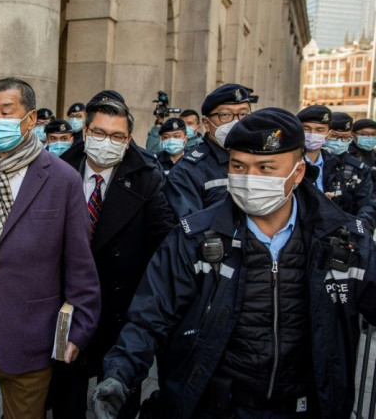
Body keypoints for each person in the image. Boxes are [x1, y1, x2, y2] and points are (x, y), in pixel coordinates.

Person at [93, 107, 376, 419]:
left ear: (296, 173)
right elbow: (150, 315)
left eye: (266, 168)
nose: (249, 179)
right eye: (239, 166)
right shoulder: (195, 238)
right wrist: (119, 374)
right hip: (219, 406)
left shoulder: (344, 241)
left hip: (306, 405)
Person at [0, 77, 101, 419]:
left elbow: (78, 261)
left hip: (30, 333)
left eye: (6, 112)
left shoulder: (62, 178)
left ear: (30, 119)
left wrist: (79, 328)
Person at [49, 98, 174, 418]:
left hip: (122, 307)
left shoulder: (147, 176)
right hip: (68, 305)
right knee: (66, 393)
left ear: (129, 139)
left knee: (117, 395)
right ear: (85, 131)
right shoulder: (57, 170)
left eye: (117, 136)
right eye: (99, 132)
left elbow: (163, 243)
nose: (107, 142)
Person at [163, 83, 254, 220]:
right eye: (226, 115)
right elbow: (190, 227)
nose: (237, 122)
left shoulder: (260, 159)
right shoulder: (188, 171)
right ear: (207, 123)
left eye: (243, 114)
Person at [297, 105, 376, 229]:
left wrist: (358, 230)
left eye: (319, 130)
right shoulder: (289, 164)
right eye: (307, 129)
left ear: (328, 134)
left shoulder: (338, 165)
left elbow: (366, 204)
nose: (313, 135)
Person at [348, 118, 376, 185]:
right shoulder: (348, 154)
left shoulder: (373, 153)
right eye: (363, 134)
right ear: (353, 135)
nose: (369, 138)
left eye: (373, 134)